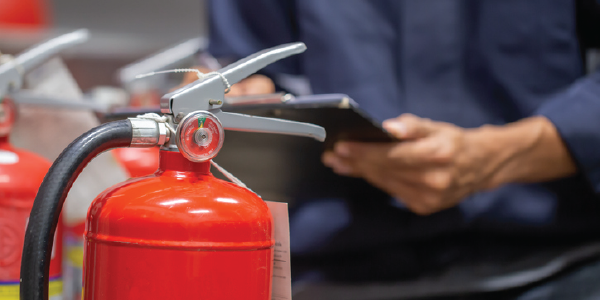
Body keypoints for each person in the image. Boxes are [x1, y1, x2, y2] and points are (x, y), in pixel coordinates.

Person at [202, 0, 600, 299]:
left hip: (555, 259)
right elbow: (250, 64)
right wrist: (247, 96)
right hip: (334, 267)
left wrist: (503, 155)